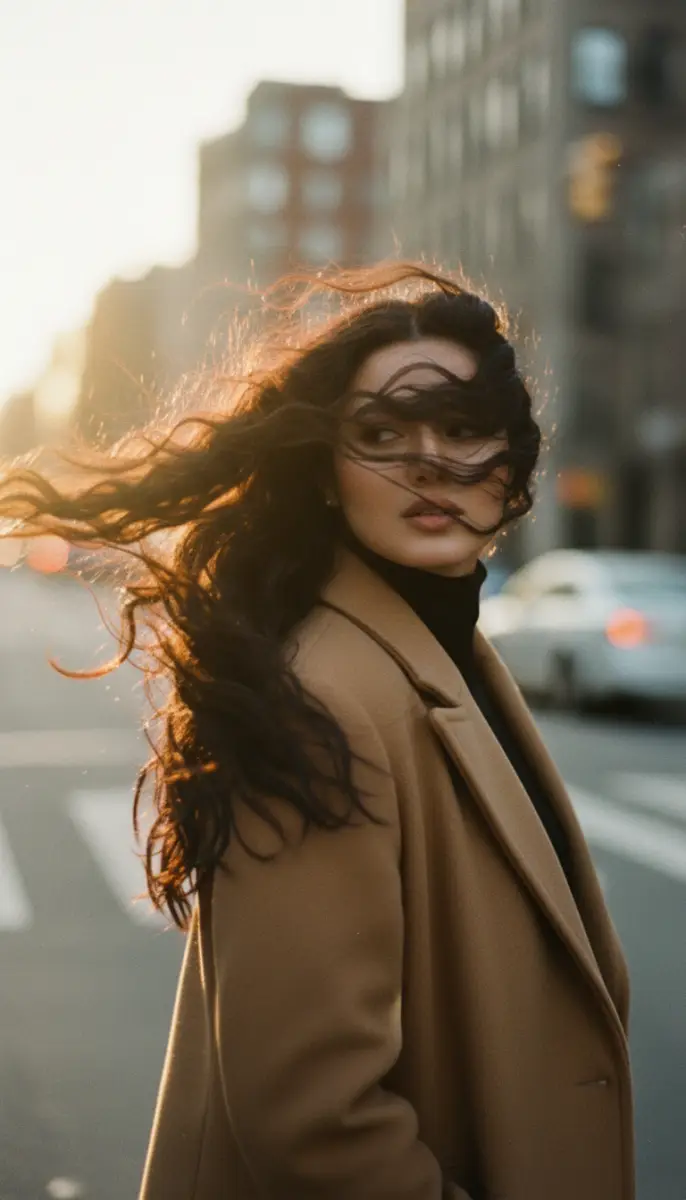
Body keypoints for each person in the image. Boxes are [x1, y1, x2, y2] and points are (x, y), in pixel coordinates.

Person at [0, 264, 634, 1199]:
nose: (427, 462)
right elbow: (315, 1121)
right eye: (381, 433)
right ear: (328, 476)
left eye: (462, 428)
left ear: (513, 461)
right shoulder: (324, 695)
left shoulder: (446, 657)